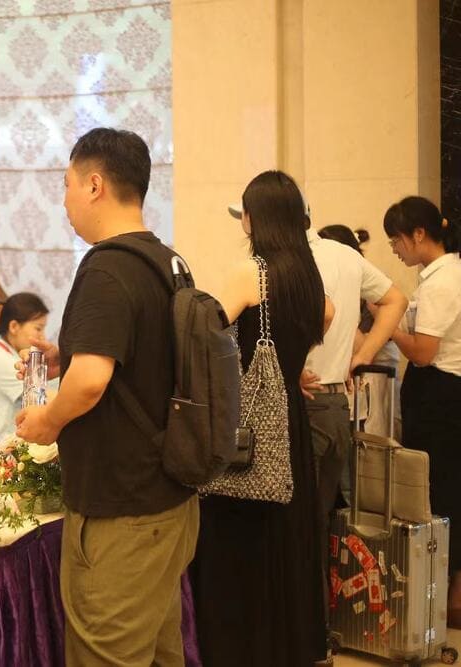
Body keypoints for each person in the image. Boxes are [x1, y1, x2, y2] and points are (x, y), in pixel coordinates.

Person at [16, 128, 198, 666]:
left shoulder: (106, 268)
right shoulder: (168, 262)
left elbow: (92, 380)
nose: (64, 200)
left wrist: (49, 420)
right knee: (160, 653)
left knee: (107, 656)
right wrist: (67, 359)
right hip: (169, 499)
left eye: (67, 184)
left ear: (94, 185)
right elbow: (142, 363)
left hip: (124, 511)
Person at [195, 171, 332, 666]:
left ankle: (240, 651)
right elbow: (327, 316)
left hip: (251, 425)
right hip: (288, 418)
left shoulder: (250, 272)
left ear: (256, 218)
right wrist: (289, 370)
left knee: (238, 538)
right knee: (286, 536)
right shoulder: (307, 275)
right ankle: (286, 648)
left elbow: (203, 333)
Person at [382, 196, 461, 628]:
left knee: (439, 494)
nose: (395, 249)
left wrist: (389, 324)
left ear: (418, 234)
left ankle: (443, 597)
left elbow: (425, 352)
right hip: (441, 396)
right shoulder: (441, 275)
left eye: (396, 240)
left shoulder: (443, 280)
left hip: (440, 398)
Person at [317, 225, 402, 439]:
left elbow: (363, 345)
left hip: (366, 387)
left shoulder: (370, 292)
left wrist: (343, 320)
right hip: (339, 391)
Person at [0, 293, 49, 442]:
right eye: (38, 328)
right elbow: (42, 398)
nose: (43, 336)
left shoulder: (9, 355)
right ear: (14, 327)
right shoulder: (1, 360)